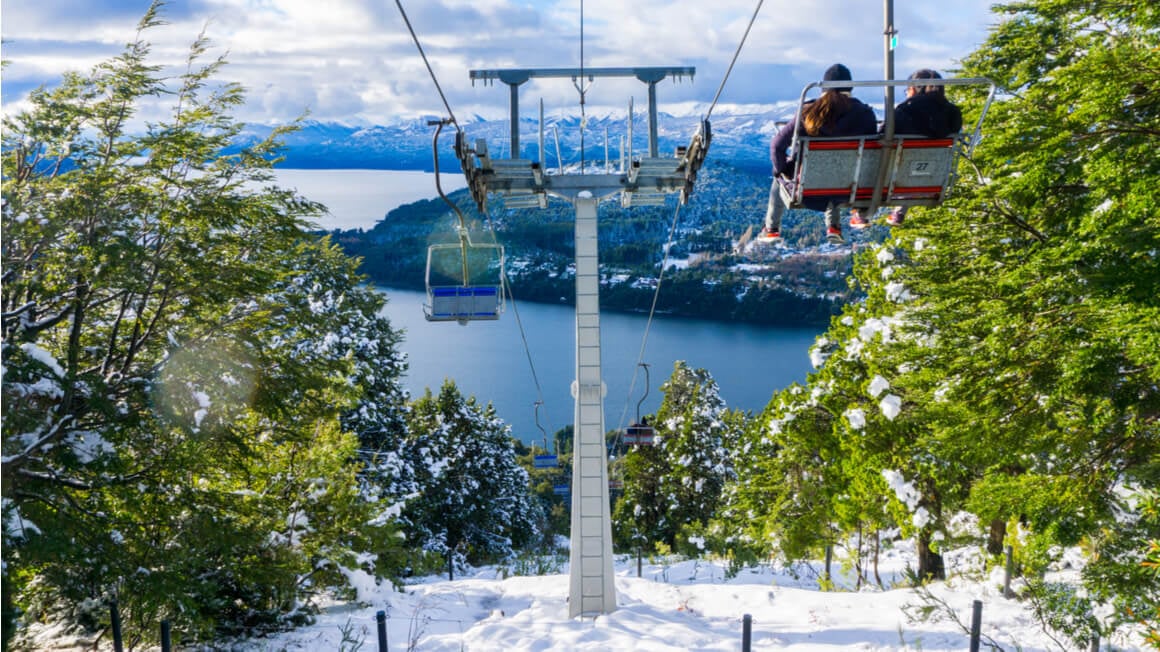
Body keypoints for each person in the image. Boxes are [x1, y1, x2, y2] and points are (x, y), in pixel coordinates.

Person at [757, 63, 877, 246]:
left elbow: (777, 146)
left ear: (823, 88)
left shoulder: (809, 112)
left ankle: (771, 228)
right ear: (850, 87)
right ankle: (833, 227)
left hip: (808, 188)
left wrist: (783, 170)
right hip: (850, 187)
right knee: (840, 171)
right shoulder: (865, 114)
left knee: (779, 177)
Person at [849, 69, 963, 229]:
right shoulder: (953, 114)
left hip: (892, 176)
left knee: (873, 158)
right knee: (914, 163)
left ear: (915, 88)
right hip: (928, 176)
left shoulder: (905, 111)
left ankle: (861, 213)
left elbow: (882, 135)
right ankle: (900, 210)